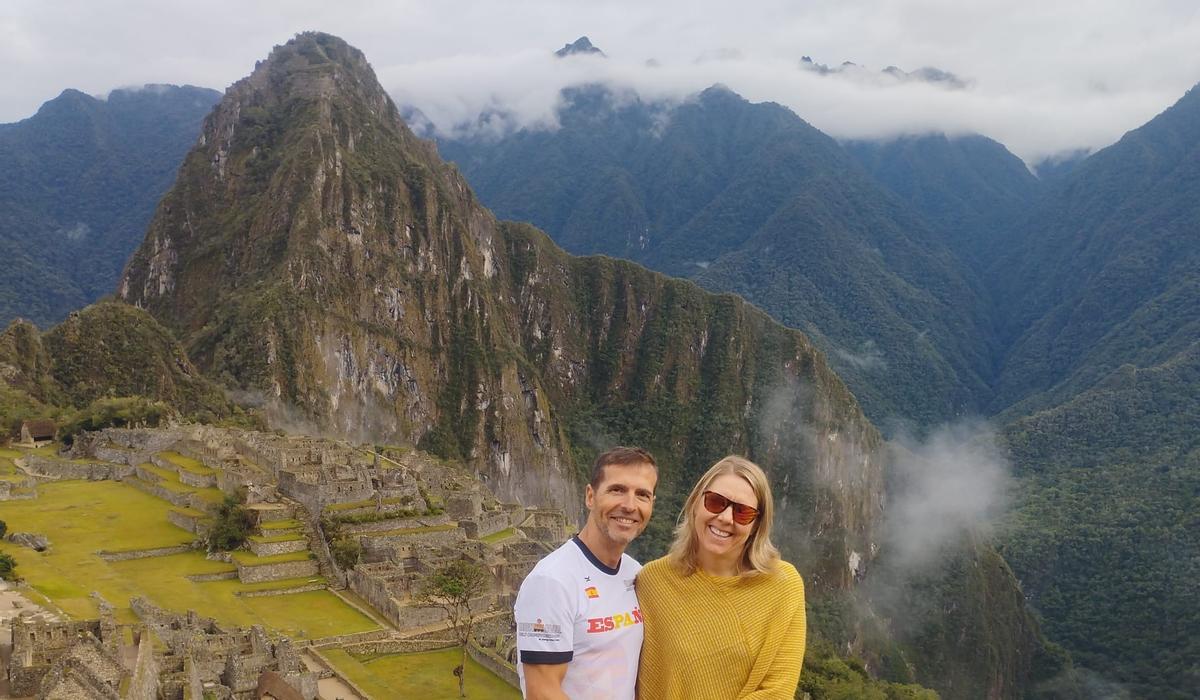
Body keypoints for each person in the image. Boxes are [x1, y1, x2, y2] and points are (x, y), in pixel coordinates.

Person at [636, 455, 806, 699]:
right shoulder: (654, 582)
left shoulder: (783, 585)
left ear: (756, 525)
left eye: (742, 512)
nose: (726, 518)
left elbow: (777, 692)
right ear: (696, 503)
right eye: (715, 502)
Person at [514, 446, 658, 700]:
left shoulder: (635, 573)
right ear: (590, 496)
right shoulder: (552, 581)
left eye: (642, 495)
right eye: (617, 490)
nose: (629, 505)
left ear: (651, 505)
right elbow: (543, 693)